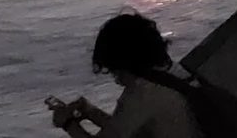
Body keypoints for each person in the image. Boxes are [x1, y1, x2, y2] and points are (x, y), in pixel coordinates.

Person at [49, 12, 201, 138]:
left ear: (123, 63)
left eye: (115, 71)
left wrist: (68, 124)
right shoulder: (175, 74)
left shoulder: (143, 94)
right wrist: (91, 112)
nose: (118, 81)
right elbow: (124, 129)